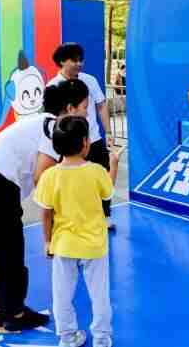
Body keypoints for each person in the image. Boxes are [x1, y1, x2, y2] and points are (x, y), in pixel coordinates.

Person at [0, 79, 89, 332]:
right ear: (70, 108)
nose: (87, 113)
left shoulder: (42, 122)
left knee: (1, 254)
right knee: (10, 252)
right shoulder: (53, 128)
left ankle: (5, 310)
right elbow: (43, 177)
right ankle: (15, 315)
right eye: (85, 107)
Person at [36, 115, 118, 347]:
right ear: (84, 142)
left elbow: (46, 212)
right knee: (99, 295)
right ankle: (101, 338)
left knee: (62, 295)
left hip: (63, 244)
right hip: (95, 245)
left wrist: (47, 241)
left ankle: (68, 337)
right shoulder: (96, 171)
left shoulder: (50, 175)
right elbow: (108, 193)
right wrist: (113, 166)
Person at [48, 43, 115, 228]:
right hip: (69, 144)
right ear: (62, 61)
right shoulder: (53, 86)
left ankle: (104, 215)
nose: (79, 64)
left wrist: (108, 132)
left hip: (93, 140)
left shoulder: (89, 80)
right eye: (74, 60)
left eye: (81, 60)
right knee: (71, 183)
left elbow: (101, 105)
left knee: (102, 176)